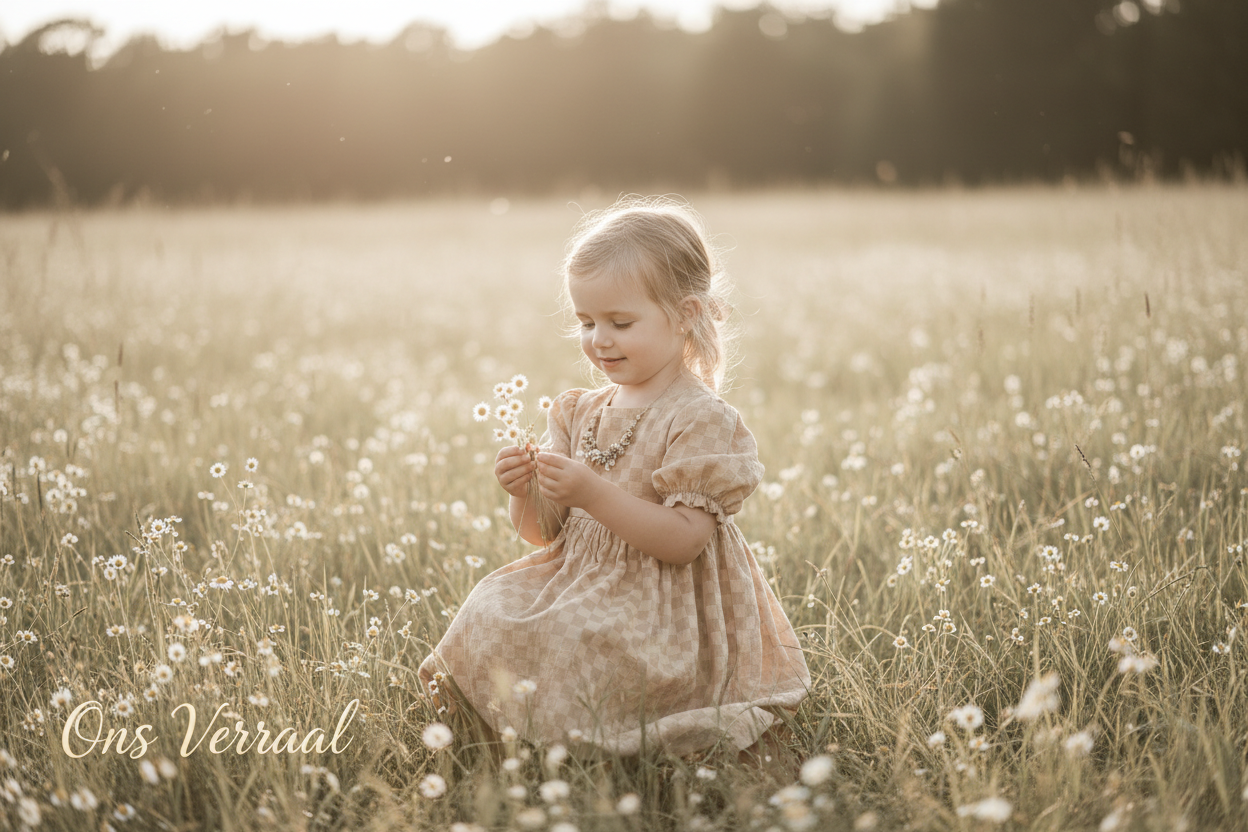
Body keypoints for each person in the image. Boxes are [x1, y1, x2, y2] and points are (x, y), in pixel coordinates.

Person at [418, 195, 810, 757]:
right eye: (586, 322)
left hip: (662, 606)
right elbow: (541, 534)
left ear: (687, 314)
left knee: (578, 634)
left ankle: (577, 745)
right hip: (576, 578)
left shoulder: (699, 417)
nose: (599, 339)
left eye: (620, 323)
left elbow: (683, 542)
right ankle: (498, 732)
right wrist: (525, 491)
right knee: (491, 605)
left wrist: (593, 492)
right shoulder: (578, 411)